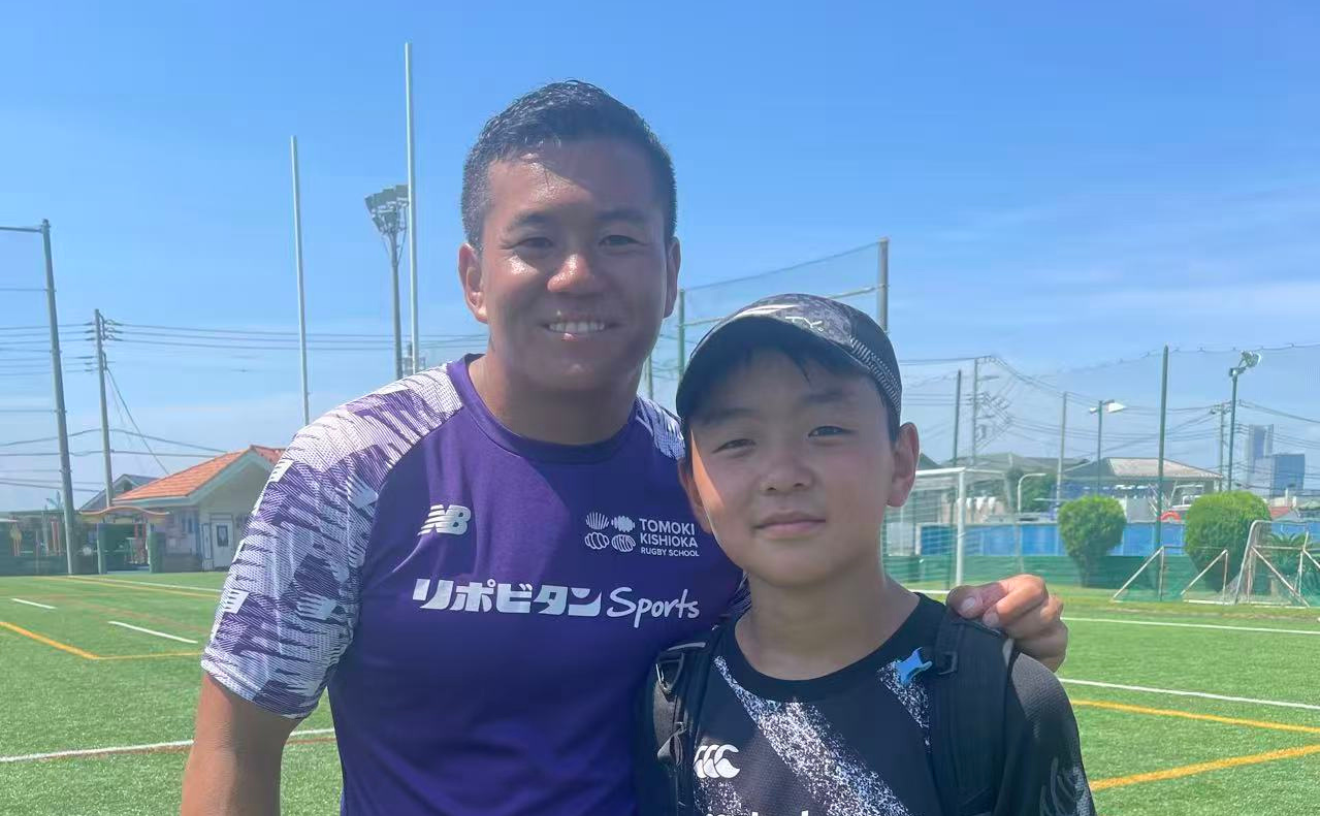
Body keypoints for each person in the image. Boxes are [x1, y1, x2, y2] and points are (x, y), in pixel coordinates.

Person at [181, 81, 1069, 816]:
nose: (578, 274)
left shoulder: (706, 474)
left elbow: (819, 630)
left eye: (618, 239)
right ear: (475, 278)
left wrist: (982, 637)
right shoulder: (350, 465)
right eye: (536, 242)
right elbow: (235, 746)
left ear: (670, 272)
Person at [636, 294, 1093, 816]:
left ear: (901, 463)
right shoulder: (673, 696)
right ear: (695, 491)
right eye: (738, 441)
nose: (782, 474)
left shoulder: (1006, 697)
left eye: (826, 430)